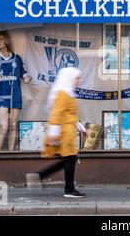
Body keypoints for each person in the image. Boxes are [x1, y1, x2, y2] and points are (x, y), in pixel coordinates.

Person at [26, 67, 87, 198]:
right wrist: (53, 132)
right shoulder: (63, 93)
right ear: (69, 78)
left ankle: (38, 177)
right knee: (70, 159)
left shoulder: (68, 92)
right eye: (77, 78)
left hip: (67, 131)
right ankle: (69, 190)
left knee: (67, 160)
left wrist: (81, 128)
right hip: (64, 133)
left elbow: (70, 114)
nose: (78, 81)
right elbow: (56, 113)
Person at [0, 31, 32, 151]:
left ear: (7, 40)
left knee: (13, 126)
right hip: (1, 96)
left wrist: (28, 78)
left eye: (1, 39)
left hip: (15, 95)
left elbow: (25, 76)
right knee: (4, 126)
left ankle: (11, 154)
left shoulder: (17, 58)